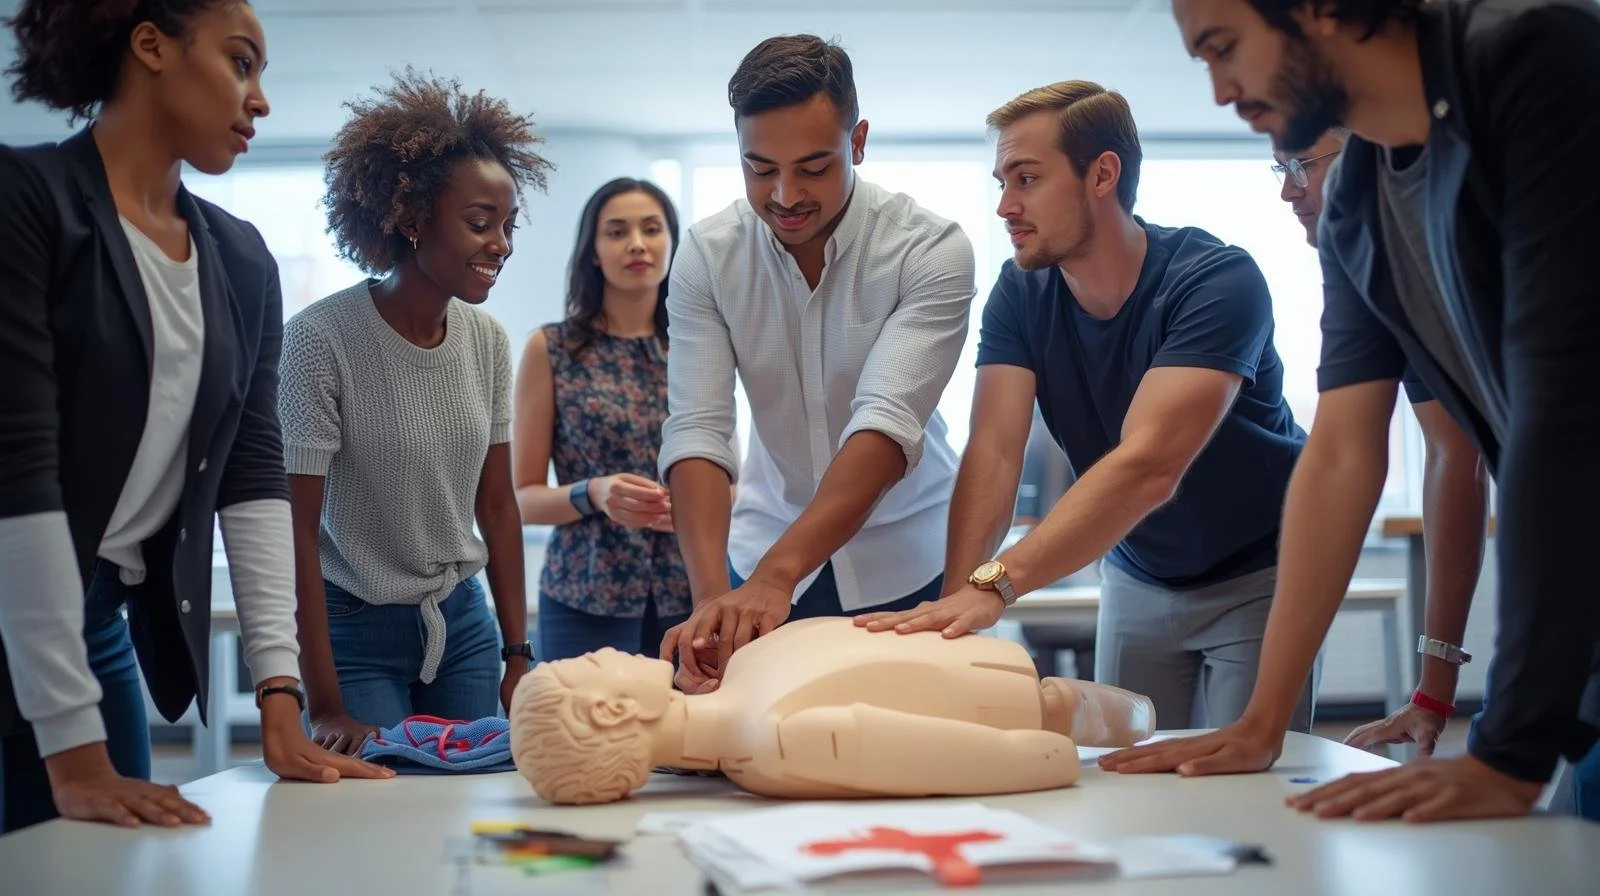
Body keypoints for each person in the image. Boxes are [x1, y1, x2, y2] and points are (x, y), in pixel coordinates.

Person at [1105, 0, 1600, 824]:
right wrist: (1261, 720)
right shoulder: (1358, 203)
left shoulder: (1531, 57)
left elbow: (1568, 405)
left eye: (1225, 49)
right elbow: (1339, 451)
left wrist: (1507, 748)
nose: (1223, 91)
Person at [0, 0, 389, 833]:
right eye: (241, 62)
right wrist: (72, 755)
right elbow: (17, 470)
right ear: (151, 46)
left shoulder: (241, 257)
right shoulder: (26, 199)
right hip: (16, 597)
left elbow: (251, 473)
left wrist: (279, 696)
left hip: (95, 616)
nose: (260, 100)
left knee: (109, 865)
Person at [859, 81, 1314, 736]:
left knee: (1239, 783)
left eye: (1026, 179)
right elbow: (994, 450)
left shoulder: (1216, 282)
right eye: (1001, 181)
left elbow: (1149, 466)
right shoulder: (1021, 289)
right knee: (1129, 776)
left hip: (1261, 571)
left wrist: (996, 587)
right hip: (1139, 574)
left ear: (1102, 174)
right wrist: (956, 606)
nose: (1005, 206)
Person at [656, 35, 977, 690]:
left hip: (911, 559)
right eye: (760, 167)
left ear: (857, 142)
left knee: (901, 761)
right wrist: (711, 602)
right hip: (761, 546)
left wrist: (779, 575)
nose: (784, 194)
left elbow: (885, 425)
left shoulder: (930, 249)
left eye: (813, 167)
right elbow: (699, 430)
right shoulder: (707, 256)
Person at [278, 69, 551, 754]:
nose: (502, 245)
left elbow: (496, 506)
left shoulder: (487, 340)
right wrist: (323, 701)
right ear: (410, 218)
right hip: (355, 629)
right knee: (378, 816)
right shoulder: (320, 340)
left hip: (462, 625)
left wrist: (518, 652)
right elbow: (296, 535)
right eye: (480, 223)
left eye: (508, 225)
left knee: (471, 811)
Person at [1274, 126, 1491, 757]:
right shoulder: (1376, 266)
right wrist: (1432, 694)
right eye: (1279, 169)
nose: (1288, 191)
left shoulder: (1480, 222)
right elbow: (1449, 453)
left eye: (1300, 164)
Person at [511, 177, 693, 661]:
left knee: (691, 736)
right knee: (581, 734)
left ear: (671, 243)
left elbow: (735, 484)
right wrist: (594, 492)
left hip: (690, 592)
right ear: (593, 251)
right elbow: (521, 500)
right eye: (616, 232)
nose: (637, 243)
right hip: (583, 596)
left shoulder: (697, 349)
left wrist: (697, 506)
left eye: (652, 229)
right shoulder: (551, 349)